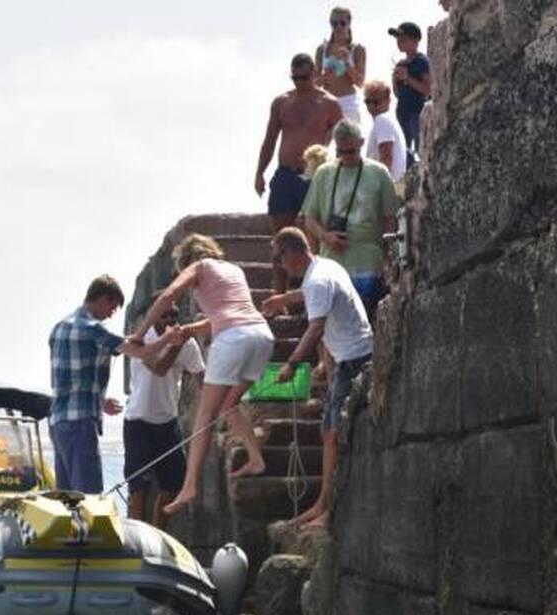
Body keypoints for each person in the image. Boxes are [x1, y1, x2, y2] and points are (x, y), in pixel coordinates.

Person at [131, 234, 275, 515]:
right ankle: (256, 459)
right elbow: (229, 314)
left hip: (233, 340)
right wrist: (192, 330)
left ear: (187, 260)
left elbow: (169, 294)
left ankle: (190, 486)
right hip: (262, 337)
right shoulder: (234, 270)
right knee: (228, 405)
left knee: (205, 416)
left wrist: (139, 333)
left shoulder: (199, 267)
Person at [261, 228, 373, 530]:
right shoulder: (324, 267)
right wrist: (284, 298)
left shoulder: (318, 279)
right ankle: (322, 503)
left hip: (355, 359)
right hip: (349, 357)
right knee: (328, 432)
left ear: (292, 253)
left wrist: (292, 364)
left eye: (279, 258)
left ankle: (328, 509)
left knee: (333, 434)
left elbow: (315, 328)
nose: (279, 266)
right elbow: (313, 293)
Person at [49, 275, 177, 494]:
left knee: (67, 498)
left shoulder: (59, 327)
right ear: (102, 299)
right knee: (89, 498)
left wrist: (100, 401)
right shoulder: (94, 329)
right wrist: (168, 338)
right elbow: (143, 352)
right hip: (80, 424)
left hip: (58, 422)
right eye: (112, 307)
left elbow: (72, 377)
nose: (111, 314)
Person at [300, 120, 401, 319]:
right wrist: (325, 236)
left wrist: (390, 258)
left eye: (351, 152)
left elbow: (390, 219)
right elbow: (309, 218)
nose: (346, 157)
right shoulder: (324, 173)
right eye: (341, 152)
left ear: (362, 143)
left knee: (364, 321)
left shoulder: (378, 173)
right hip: (332, 263)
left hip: (368, 263)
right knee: (329, 326)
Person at [123, 307, 205, 529]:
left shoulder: (188, 344)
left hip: (168, 422)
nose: (169, 320)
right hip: (138, 421)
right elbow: (159, 368)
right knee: (138, 485)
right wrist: (174, 344)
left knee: (173, 484)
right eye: (164, 315)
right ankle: (136, 533)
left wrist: (214, 408)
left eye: (173, 316)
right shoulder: (140, 341)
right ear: (153, 316)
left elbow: (201, 378)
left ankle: (158, 532)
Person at [254, 53, 344, 236]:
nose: (300, 82)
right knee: (281, 236)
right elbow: (270, 139)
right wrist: (259, 173)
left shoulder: (330, 104)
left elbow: (341, 141)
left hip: (313, 176)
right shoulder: (282, 102)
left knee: (312, 235)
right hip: (285, 173)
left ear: (314, 74)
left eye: (304, 78)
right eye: (295, 78)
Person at [389, 22, 433, 166]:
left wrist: (407, 78)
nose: (399, 42)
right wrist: (395, 80)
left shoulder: (422, 61)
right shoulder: (401, 64)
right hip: (403, 113)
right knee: (405, 152)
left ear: (415, 40)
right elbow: (397, 94)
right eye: (398, 39)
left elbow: (429, 90)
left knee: (420, 150)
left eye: (403, 39)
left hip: (417, 114)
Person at [315, 7, 367, 126]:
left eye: (342, 23)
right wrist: (329, 72)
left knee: (349, 142)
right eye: (334, 23)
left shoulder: (357, 49)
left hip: (348, 102)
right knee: (323, 144)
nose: (338, 27)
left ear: (349, 23)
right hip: (326, 101)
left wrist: (347, 63)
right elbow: (315, 84)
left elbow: (360, 82)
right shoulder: (322, 49)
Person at [364, 81, 407, 183]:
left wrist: (379, 186)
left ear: (388, 101)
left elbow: (386, 156)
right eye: (367, 102)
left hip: (385, 185)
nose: (371, 106)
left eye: (376, 102)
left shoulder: (382, 120)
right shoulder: (388, 120)